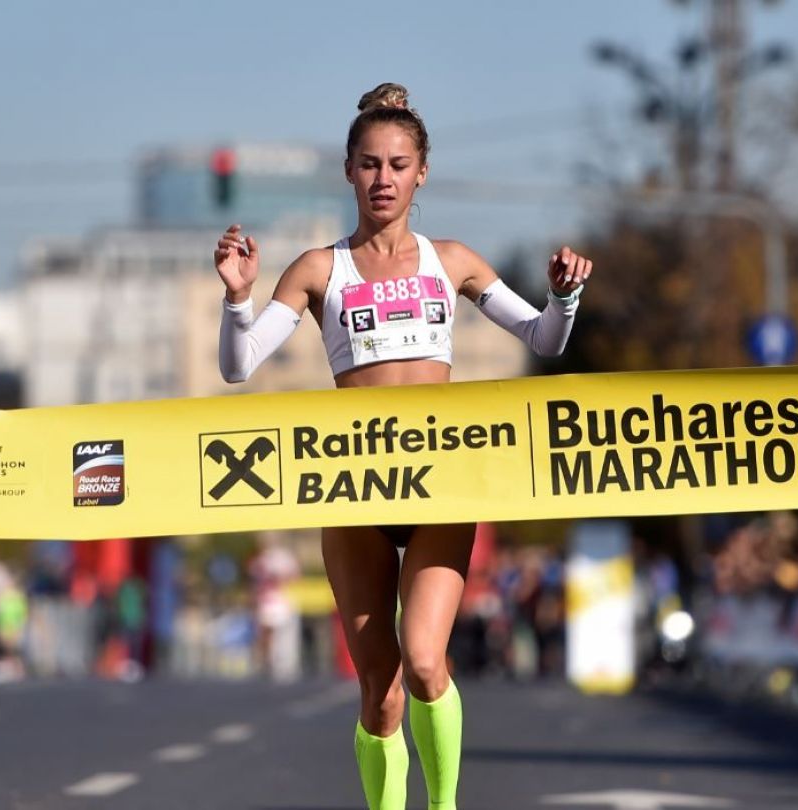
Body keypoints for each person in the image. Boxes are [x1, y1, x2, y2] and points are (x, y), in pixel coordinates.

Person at [214, 82, 592, 810]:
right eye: (368, 164)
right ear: (349, 172)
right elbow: (238, 365)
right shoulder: (319, 269)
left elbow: (543, 340)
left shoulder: (450, 261)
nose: (382, 179)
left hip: (439, 487)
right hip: (355, 493)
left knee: (425, 662)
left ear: (421, 174)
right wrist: (237, 296)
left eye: (397, 165)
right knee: (379, 694)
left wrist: (564, 298)